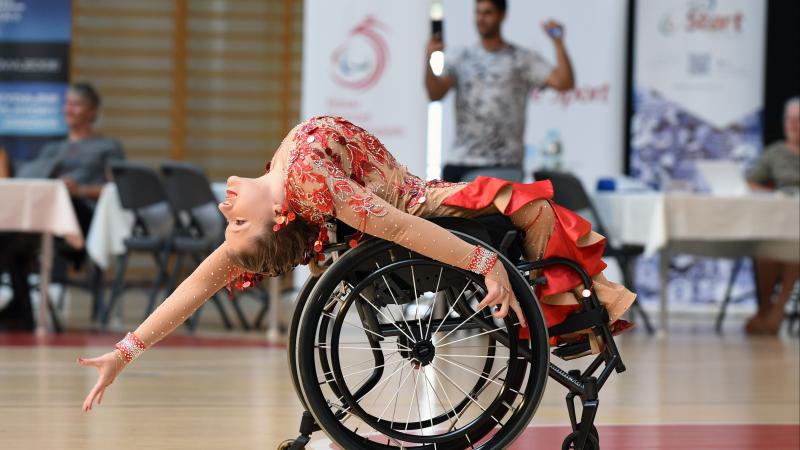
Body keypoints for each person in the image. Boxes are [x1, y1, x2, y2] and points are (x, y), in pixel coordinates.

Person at [76, 115, 634, 411]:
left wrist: (126, 349)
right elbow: (399, 226)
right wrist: (482, 261)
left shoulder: (288, 186)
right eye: (236, 223)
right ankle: (575, 324)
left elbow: (198, 280)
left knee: (534, 206)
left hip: (406, 195)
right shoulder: (311, 187)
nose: (226, 208)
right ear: (274, 218)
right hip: (416, 202)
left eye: (229, 221)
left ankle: (569, 321)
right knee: (533, 206)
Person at [0, 83, 124, 330]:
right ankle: (21, 305)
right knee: (10, 238)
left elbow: (116, 189)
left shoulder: (107, 147)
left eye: (76, 104)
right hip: (42, 215)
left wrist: (82, 190)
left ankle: (21, 306)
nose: (69, 109)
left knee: (16, 237)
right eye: (67, 103)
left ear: (92, 111)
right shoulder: (52, 149)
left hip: (83, 214)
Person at [425, 0, 575, 182]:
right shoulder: (460, 57)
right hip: (460, 161)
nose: (481, 18)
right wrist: (428, 59)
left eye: (488, 13)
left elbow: (564, 82)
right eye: (478, 13)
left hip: (504, 164)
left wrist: (558, 43)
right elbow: (435, 94)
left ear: (502, 15)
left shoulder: (521, 58)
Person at [744, 96, 800, 334]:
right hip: (777, 222)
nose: (793, 125)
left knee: (792, 246)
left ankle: (776, 312)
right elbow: (750, 182)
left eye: (799, 121)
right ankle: (766, 308)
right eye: (790, 120)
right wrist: (776, 193)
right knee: (766, 247)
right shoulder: (775, 152)